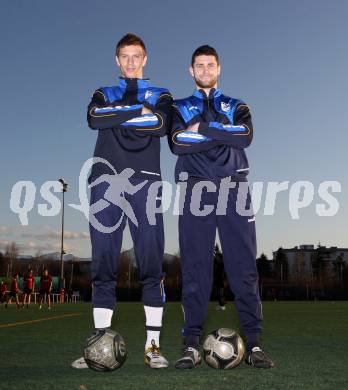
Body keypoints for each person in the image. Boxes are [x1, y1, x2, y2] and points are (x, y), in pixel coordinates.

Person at [71, 33, 172, 370]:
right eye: (125, 56)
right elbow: (93, 118)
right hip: (105, 183)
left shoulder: (162, 94)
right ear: (117, 60)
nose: (131, 62)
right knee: (103, 265)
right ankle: (98, 346)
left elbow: (159, 125)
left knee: (151, 265)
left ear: (146, 59)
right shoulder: (103, 92)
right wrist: (134, 110)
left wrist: (117, 114)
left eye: (137, 56)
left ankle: (153, 347)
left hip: (145, 185)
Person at [169, 45, 274, 369]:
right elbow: (176, 142)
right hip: (195, 189)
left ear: (219, 68)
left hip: (234, 187)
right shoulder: (179, 106)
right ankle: (191, 344)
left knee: (243, 267)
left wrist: (201, 130)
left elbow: (244, 136)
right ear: (191, 70)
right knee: (196, 269)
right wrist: (222, 135)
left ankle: (254, 344)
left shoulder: (236, 105)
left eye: (209, 65)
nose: (204, 70)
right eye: (198, 65)